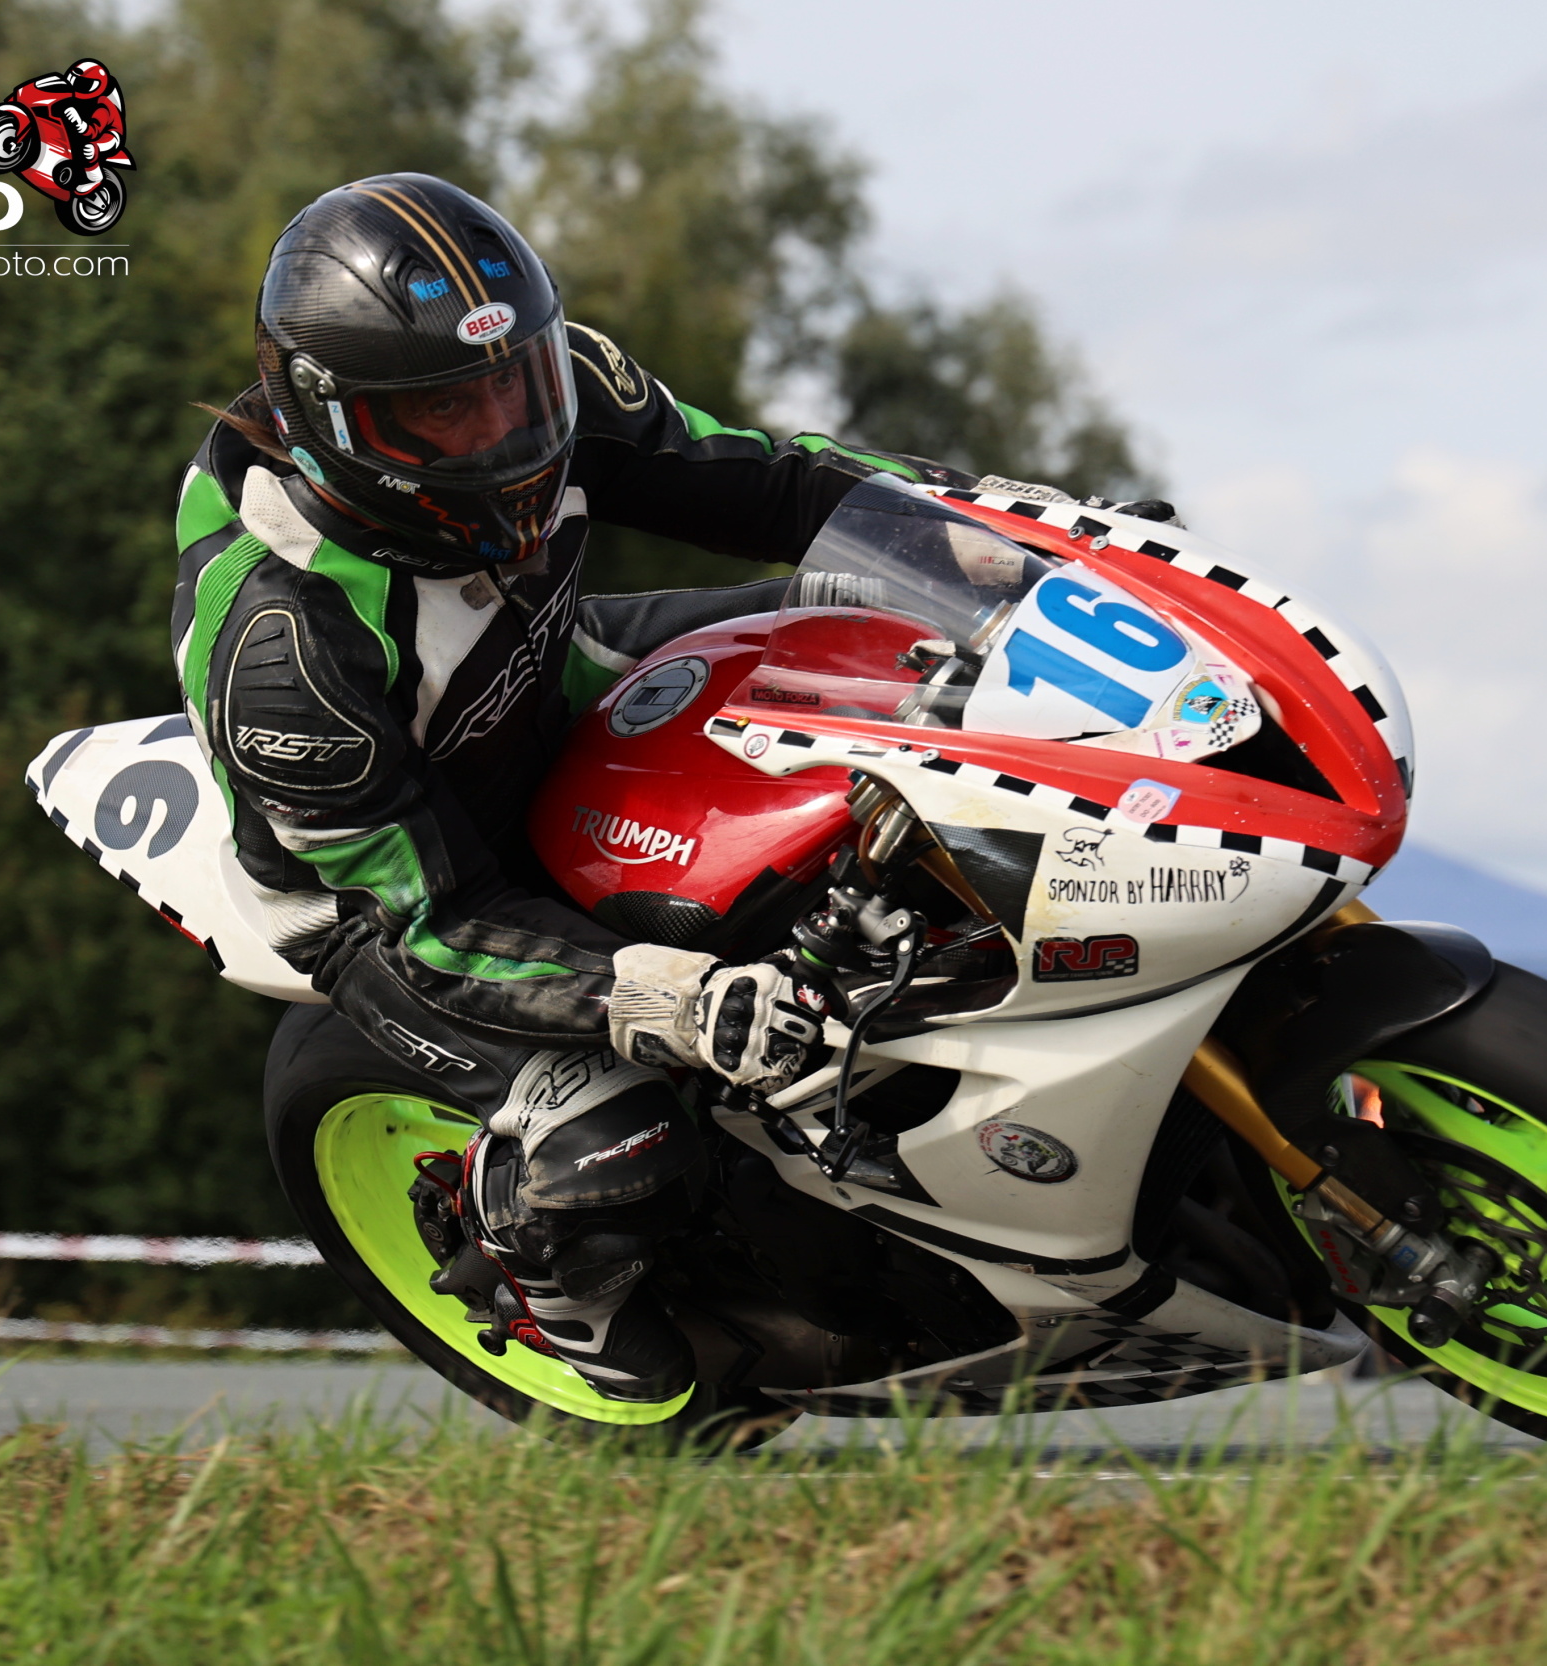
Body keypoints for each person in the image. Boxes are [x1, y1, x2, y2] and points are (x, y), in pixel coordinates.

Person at [175, 173, 962, 1406]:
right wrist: (670, 997)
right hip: (394, 895)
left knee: (890, 634)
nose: (502, 430)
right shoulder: (289, 647)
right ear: (339, 423)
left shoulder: (553, 374)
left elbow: (771, 479)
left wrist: (985, 533)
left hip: (550, 675)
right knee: (621, 1143)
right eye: (444, 411)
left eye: (511, 385)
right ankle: (545, 1273)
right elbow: (431, 920)